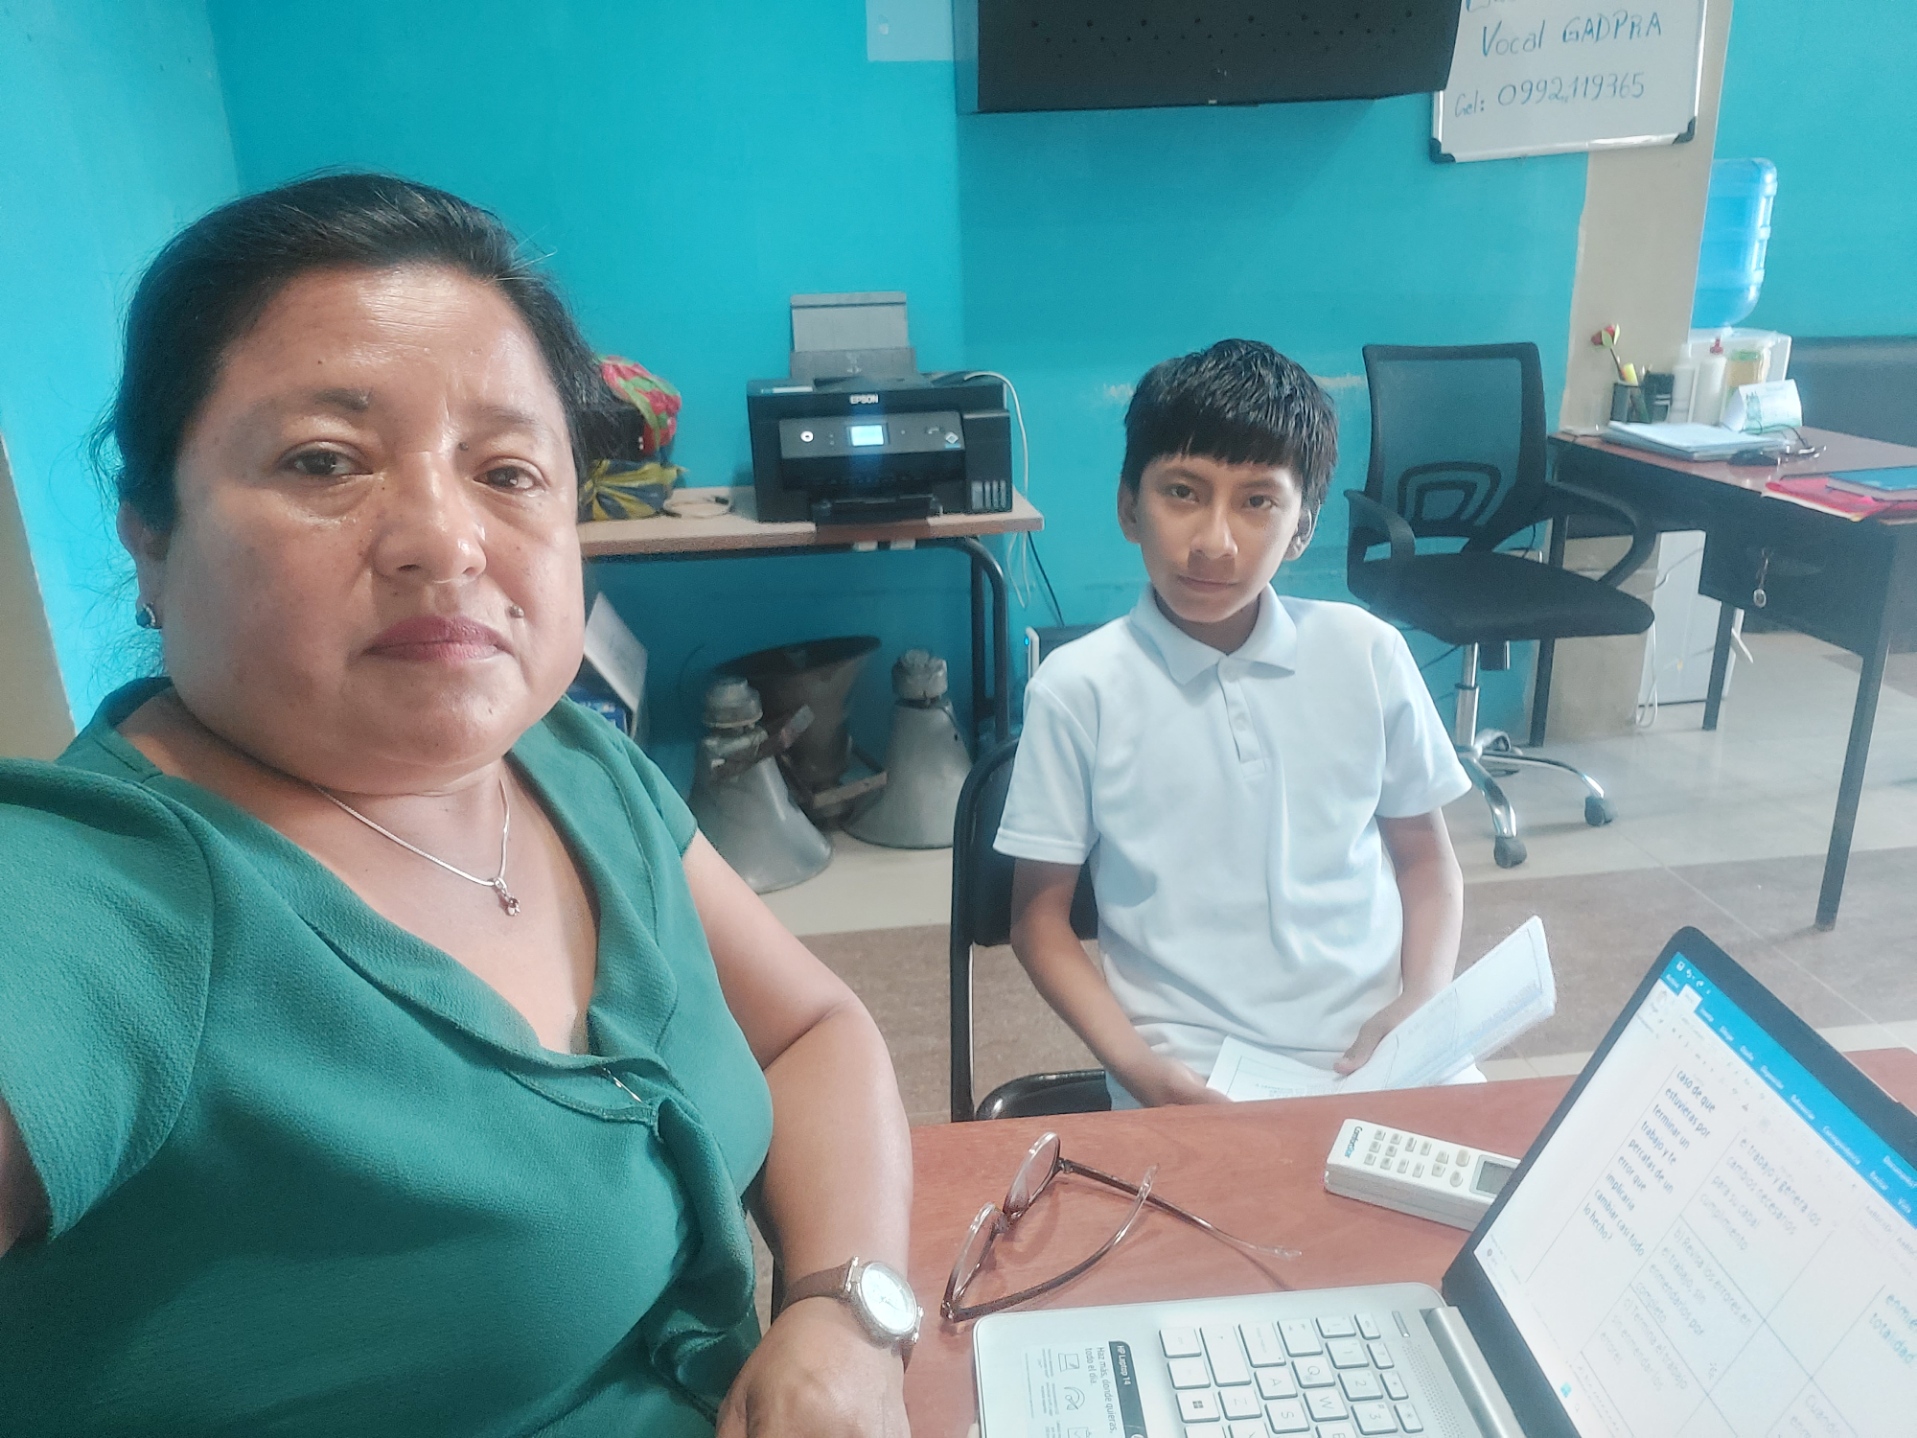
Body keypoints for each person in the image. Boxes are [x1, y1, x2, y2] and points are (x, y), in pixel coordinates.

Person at [0, 174, 915, 1437]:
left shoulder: (571, 766)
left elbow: (813, 1029)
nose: (444, 537)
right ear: (151, 538)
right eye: (325, 460)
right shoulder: (100, 899)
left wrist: (845, 1314)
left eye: (508, 469)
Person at [995, 339, 1473, 1109]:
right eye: (1182, 492)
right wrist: (1141, 1071)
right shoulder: (1078, 689)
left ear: (1302, 527)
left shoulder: (1365, 652)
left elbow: (1424, 862)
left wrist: (1421, 999)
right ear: (1129, 507)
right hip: (1189, 1074)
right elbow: (1037, 920)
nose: (1213, 542)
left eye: (1257, 503)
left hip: (1380, 1052)